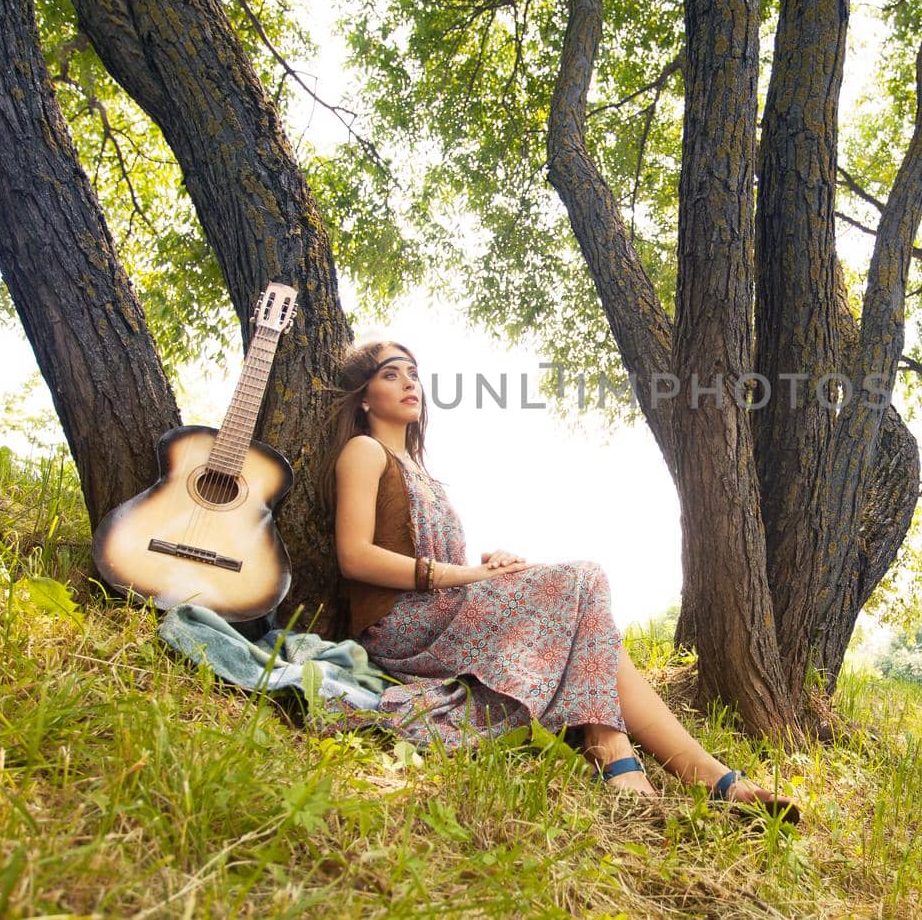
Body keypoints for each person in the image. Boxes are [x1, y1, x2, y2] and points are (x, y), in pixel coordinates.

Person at [319, 337, 799, 823]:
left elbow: (440, 558)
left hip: (442, 608)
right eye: (390, 374)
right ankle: (629, 752)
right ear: (363, 396)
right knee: (583, 579)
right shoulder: (364, 450)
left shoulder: (420, 471)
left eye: (413, 373)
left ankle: (703, 773)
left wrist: (489, 565)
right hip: (402, 626)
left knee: (591, 625)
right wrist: (467, 575)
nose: (409, 383)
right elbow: (354, 557)